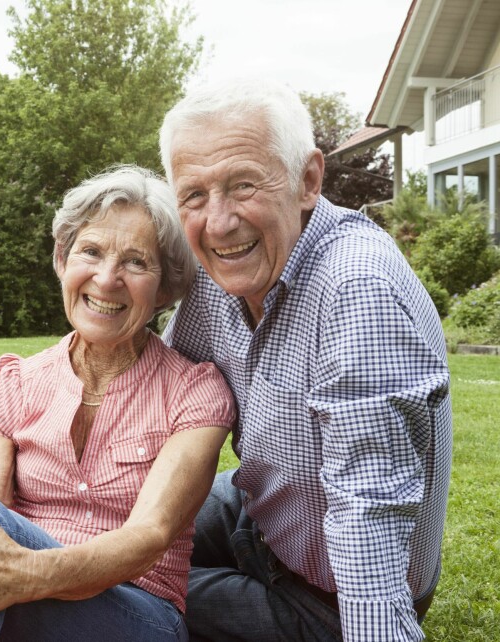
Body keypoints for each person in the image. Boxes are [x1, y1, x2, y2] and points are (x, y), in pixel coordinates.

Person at [0, 166, 237, 641]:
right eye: (90, 251)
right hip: (23, 605)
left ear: (166, 286)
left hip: (136, 615)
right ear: (63, 261)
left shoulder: (196, 392)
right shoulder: (14, 382)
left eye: (135, 262)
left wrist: (19, 574)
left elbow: (149, 536)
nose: (107, 279)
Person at [157, 79, 452, 641]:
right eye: (194, 195)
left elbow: (368, 513)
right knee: (86, 544)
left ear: (308, 180)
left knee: (123, 598)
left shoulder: (357, 290)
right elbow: (156, 391)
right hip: (261, 511)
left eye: (243, 184)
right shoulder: (224, 268)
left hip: (325, 599)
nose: (218, 222)